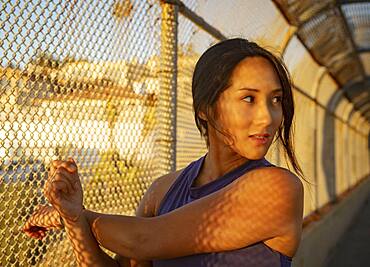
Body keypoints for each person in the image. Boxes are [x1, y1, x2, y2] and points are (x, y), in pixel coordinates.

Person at [23, 38, 305, 267]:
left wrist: (73, 216)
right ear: (205, 109)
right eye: (248, 98)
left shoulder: (278, 189)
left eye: (276, 99)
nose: (268, 117)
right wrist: (74, 221)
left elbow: (144, 240)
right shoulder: (163, 191)